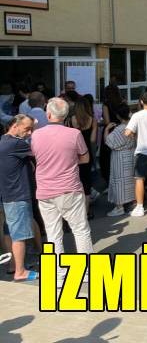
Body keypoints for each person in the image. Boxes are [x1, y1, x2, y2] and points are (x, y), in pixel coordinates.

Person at [31, 98, 94, 276]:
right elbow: (85, 158)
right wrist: (69, 161)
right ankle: (87, 270)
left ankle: (58, 273)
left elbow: (35, 156)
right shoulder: (74, 134)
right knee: (80, 230)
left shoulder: (36, 135)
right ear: (65, 115)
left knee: (53, 233)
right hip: (69, 188)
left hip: (45, 190)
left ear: (48, 114)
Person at [0, 115, 38, 281]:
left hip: (8, 195)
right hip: (17, 196)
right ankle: (20, 271)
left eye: (31, 129)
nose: (29, 132)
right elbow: (40, 149)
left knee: (10, 231)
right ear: (15, 126)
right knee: (19, 236)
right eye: (27, 129)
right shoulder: (16, 144)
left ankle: (14, 266)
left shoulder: (3, 141)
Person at [104, 103, 136, 217]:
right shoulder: (133, 125)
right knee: (131, 179)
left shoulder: (119, 129)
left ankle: (119, 206)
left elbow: (109, 142)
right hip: (131, 153)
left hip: (120, 157)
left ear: (118, 116)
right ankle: (132, 201)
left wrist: (106, 129)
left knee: (119, 181)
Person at [70, 96, 98, 218]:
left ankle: (76, 211)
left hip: (74, 154)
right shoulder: (92, 120)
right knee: (86, 181)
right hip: (86, 153)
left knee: (75, 181)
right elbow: (92, 140)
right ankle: (86, 212)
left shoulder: (71, 120)